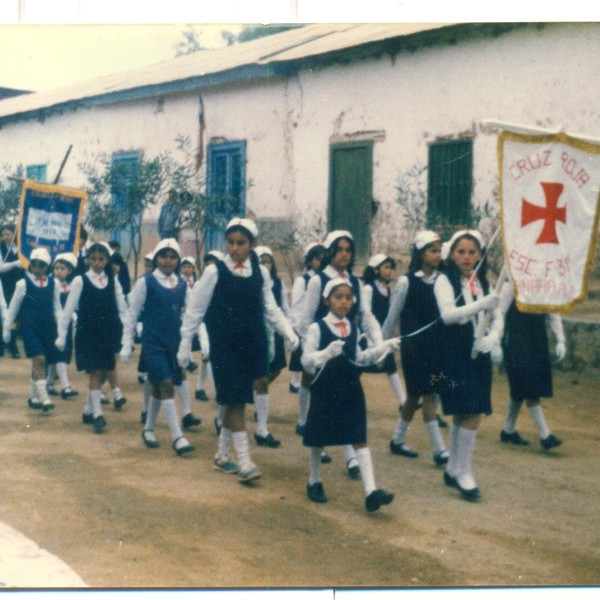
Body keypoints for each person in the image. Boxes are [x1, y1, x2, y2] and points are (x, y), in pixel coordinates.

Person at [177, 218, 299, 483]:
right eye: (230, 242)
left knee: (247, 392)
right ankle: (244, 461)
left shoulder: (261, 273)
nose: (234, 248)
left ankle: (222, 456)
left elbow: (270, 308)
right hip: (225, 344)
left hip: (253, 342)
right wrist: (186, 343)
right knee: (234, 400)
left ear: (252, 245)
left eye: (241, 243)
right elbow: (195, 310)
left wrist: (288, 332)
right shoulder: (214, 272)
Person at [302, 277, 398, 511]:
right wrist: (325, 353)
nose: (344, 302)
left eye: (348, 298)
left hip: (350, 387)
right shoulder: (317, 328)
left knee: (358, 435)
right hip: (325, 387)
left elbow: (359, 357)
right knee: (319, 436)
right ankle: (314, 480)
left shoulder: (353, 328)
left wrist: (382, 349)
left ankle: (371, 491)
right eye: (338, 297)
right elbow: (306, 361)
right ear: (327, 300)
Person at [299, 230, 384, 476]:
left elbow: (366, 316)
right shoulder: (318, 280)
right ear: (330, 252)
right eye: (339, 249)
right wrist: (312, 350)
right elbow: (305, 319)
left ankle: (351, 457)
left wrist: (378, 343)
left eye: (348, 250)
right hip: (322, 343)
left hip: (347, 346)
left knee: (347, 403)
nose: (344, 254)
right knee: (324, 406)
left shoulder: (356, 282)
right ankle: (314, 440)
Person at [433, 229, 501, 502]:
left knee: (469, 410)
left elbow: (497, 315)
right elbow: (448, 316)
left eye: (472, 252)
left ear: (479, 255)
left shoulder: (483, 281)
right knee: (468, 410)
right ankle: (465, 472)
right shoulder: (443, 281)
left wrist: (494, 336)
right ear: (451, 254)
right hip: (453, 352)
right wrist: (481, 304)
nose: (466, 257)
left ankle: (453, 469)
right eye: (461, 252)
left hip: (479, 352)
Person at [121, 238, 198, 456]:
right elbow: (132, 313)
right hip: (152, 343)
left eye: (173, 257)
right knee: (165, 384)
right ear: (156, 259)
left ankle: (148, 429)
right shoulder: (146, 282)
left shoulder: (182, 285)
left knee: (158, 386)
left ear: (178, 260)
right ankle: (178, 436)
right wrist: (127, 343)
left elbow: (187, 314)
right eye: (163, 256)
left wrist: (186, 346)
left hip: (173, 344)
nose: (167, 261)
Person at [381, 231, 449, 466]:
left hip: (436, 347)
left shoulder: (443, 281)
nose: (437, 255)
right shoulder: (406, 281)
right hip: (414, 348)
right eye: (432, 250)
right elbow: (393, 315)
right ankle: (440, 449)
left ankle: (397, 440)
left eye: (440, 250)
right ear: (420, 254)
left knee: (414, 397)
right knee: (428, 395)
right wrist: (383, 345)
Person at [56, 242, 128, 434]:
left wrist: (127, 330)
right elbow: (68, 309)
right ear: (88, 259)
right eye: (93, 259)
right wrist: (62, 336)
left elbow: (121, 305)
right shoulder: (81, 280)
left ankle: (88, 410)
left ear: (107, 260)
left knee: (105, 371)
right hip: (88, 332)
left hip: (108, 331)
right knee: (96, 371)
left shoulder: (112, 279)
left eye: (101, 259)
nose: (97, 263)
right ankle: (97, 414)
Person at [497, 278, 566, 451]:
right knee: (529, 384)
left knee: (520, 387)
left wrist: (560, 340)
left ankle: (508, 430)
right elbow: (500, 312)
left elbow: (553, 312)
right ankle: (545, 435)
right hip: (515, 340)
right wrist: (496, 340)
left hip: (536, 341)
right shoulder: (511, 283)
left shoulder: (546, 284)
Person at [4, 248, 60, 412]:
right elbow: (13, 308)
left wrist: (61, 328)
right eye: (34, 265)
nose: (37, 269)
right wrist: (7, 329)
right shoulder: (23, 284)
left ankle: (32, 396)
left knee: (40, 363)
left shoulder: (53, 283)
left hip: (48, 327)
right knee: (39, 359)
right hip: (30, 327)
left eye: (41, 265)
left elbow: (57, 307)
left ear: (47, 266)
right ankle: (44, 398)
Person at [253, 245, 290, 448]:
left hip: (274, 330)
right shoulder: (251, 281)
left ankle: (258, 411)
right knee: (257, 379)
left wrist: (288, 329)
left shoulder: (278, 282)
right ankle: (261, 429)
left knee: (275, 369)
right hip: (256, 332)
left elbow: (283, 307)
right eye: (262, 261)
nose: (265, 265)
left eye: (268, 261)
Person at [289, 242, 326, 435]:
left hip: (323, 331)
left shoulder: (327, 279)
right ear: (310, 261)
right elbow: (297, 308)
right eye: (317, 258)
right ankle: (303, 419)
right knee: (307, 377)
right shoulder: (303, 280)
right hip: (306, 332)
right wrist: (300, 335)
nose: (320, 261)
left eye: (323, 257)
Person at [362, 253, 407, 403]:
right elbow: (366, 312)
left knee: (390, 366)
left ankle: (403, 402)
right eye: (386, 267)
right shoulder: (368, 288)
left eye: (391, 268)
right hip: (368, 333)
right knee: (358, 367)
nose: (390, 271)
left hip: (383, 332)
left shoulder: (387, 289)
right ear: (376, 270)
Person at [47, 252, 78, 399]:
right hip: (53, 324)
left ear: (70, 270)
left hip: (67, 323)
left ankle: (49, 384)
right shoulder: (50, 284)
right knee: (58, 352)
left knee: (61, 354)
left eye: (62, 268)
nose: (58, 272)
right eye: (56, 268)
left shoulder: (72, 286)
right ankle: (65, 386)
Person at [194, 250, 223, 404]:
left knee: (206, 357)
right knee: (209, 354)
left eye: (213, 262)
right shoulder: (200, 283)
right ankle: (219, 392)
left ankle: (199, 388)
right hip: (204, 324)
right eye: (207, 263)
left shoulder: (224, 282)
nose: (209, 265)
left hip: (218, 325)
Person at [0, 223, 24, 358]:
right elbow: (0, 267)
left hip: (19, 284)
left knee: (18, 314)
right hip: (5, 285)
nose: (5, 237)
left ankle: (13, 344)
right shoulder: (1, 248)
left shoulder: (21, 247)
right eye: (3, 234)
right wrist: (16, 264)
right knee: (7, 312)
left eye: (8, 234)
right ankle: (6, 345)